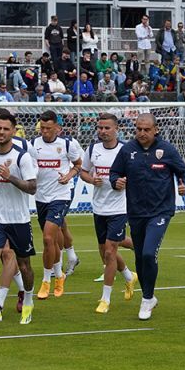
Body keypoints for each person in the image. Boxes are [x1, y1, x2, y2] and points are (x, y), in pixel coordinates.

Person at [108, 113, 185, 320]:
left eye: (146, 130)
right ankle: (149, 296)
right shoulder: (127, 150)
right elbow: (114, 173)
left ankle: (146, 299)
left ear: (155, 130)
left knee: (148, 253)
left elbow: (184, 172)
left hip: (160, 211)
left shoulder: (167, 150)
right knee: (139, 256)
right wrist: (116, 181)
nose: (142, 133)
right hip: (135, 212)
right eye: (138, 129)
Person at [0, 111, 40, 328]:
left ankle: (28, 300)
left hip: (19, 219)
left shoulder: (22, 157)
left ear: (13, 131)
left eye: (5, 129)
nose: (1, 132)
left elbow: (32, 187)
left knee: (24, 265)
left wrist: (9, 177)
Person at [80, 113, 138, 313]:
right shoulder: (92, 149)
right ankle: (130, 276)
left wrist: (125, 181)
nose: (103, 131)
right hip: (99, 207)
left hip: (119, 208)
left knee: (110, 251)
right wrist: (91, 180)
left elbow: (137, 175)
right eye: (100, 127)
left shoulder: (126, 150)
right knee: (105, 252)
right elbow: (83, 171)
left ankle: (105, 299)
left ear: (116, 129)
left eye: (107, 128)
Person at [30, 110, 84, 299]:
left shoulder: (67, 144)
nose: (44, 131)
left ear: (57, 128)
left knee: (47, 237)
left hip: (61, 195)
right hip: (41, 197)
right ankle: (59, 274)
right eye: (42, 128)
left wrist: (68, 176)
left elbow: (78, 164)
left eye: (48, 128)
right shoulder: (32, 145)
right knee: (51, 239)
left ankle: (46, 281)